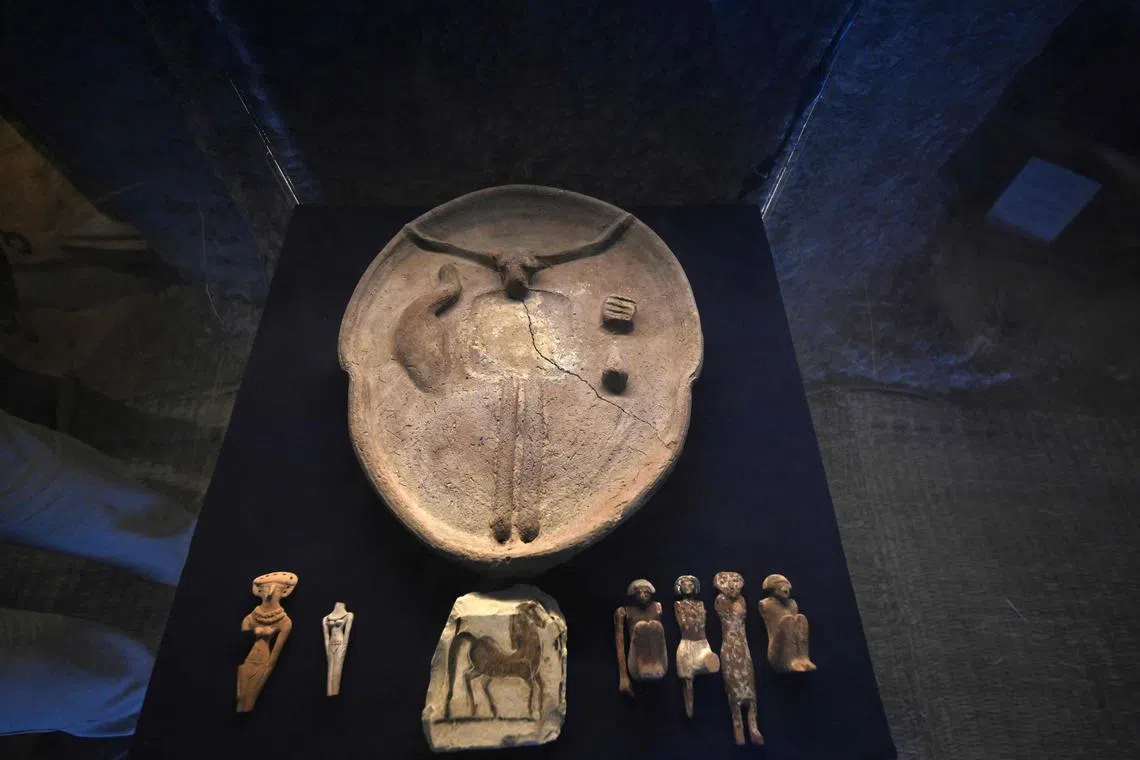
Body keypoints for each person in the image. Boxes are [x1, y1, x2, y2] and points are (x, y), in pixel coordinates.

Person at [673, 575, 720, 718]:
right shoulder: (679, 605)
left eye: (691, 584)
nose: (688, 587)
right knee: (688, 679)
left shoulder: (700, 604)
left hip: (702, 643)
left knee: (712, 665)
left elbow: (701, 623)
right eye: (685, 584)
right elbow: (683, 623)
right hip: (687, 644)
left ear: (695, 587)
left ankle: (697, 709)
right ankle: (689, 709)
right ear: (680, 588)